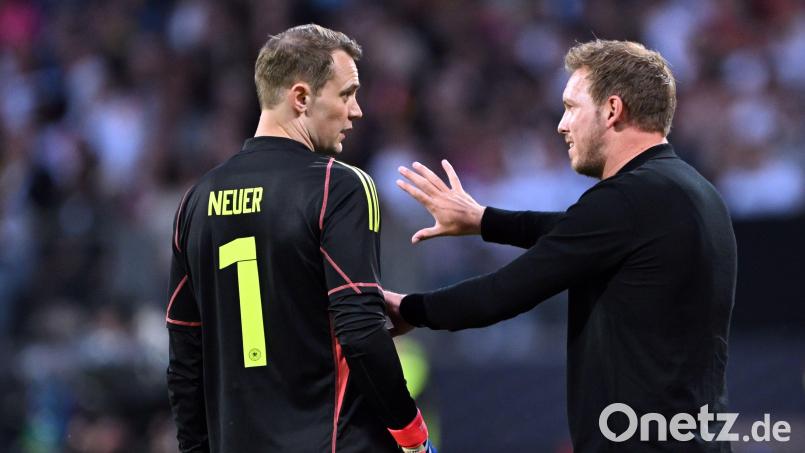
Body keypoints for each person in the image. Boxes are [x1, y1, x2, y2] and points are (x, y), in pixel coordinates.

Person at [385, 40, 736, 452]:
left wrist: (410, 309)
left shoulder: (627, 200)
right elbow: (574, 231)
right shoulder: (694, 192)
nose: (562, 125)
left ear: (612, 109)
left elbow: (502, 293)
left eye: (571, 107)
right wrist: (483, 220)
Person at [166, 24, 435, 453]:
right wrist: (414, 439)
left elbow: (185, 357)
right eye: (346, 94)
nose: (357, 111)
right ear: (301, 98)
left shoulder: (195, 201)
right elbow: (362, 332)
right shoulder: (339, 187)